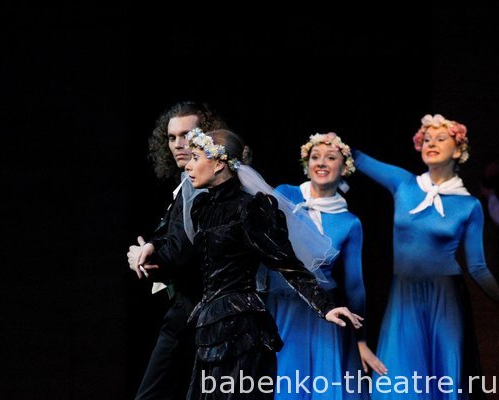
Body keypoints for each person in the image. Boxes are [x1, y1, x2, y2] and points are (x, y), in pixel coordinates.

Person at [137, 128, 364, 400]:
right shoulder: (201, 207)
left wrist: (325, 306)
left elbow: (286, 263)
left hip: (241, 329)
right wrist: (152, 250)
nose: (188, 166)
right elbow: (182, 251)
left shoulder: (251, 209)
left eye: (196, 158)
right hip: (208, 325)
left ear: (219, 163)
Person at [352, 114, 499, 399]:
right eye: (427, 139)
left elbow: (478, 268)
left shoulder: (469, 205)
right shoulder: (404, 184)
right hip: (404, 296)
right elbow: (357, 158)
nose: (431, 143)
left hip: (445, 298)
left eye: (440, 139)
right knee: (398, 376)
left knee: (443, 376)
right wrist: (332, 143)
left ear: (457, 150)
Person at [260, 132, 386, 399]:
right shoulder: (285, 194)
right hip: (283, 308)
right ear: (306, 165)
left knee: (321, 386)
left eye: (330, 157)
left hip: (323, 315)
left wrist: (361, 339)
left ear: (345, 168)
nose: (321, 162)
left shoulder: (349, 222)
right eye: (315, 157)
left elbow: (355, 285)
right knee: (285, 382)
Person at [126, 101, 228, 400]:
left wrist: (145, 256)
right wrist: (149, 248)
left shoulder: (205, 186)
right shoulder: (190, 183)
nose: (178, 144)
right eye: (172, 137)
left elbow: (181, 248)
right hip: (188, 309)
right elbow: (173, 237)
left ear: (207, 137)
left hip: (200, 311)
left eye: (186, 135)